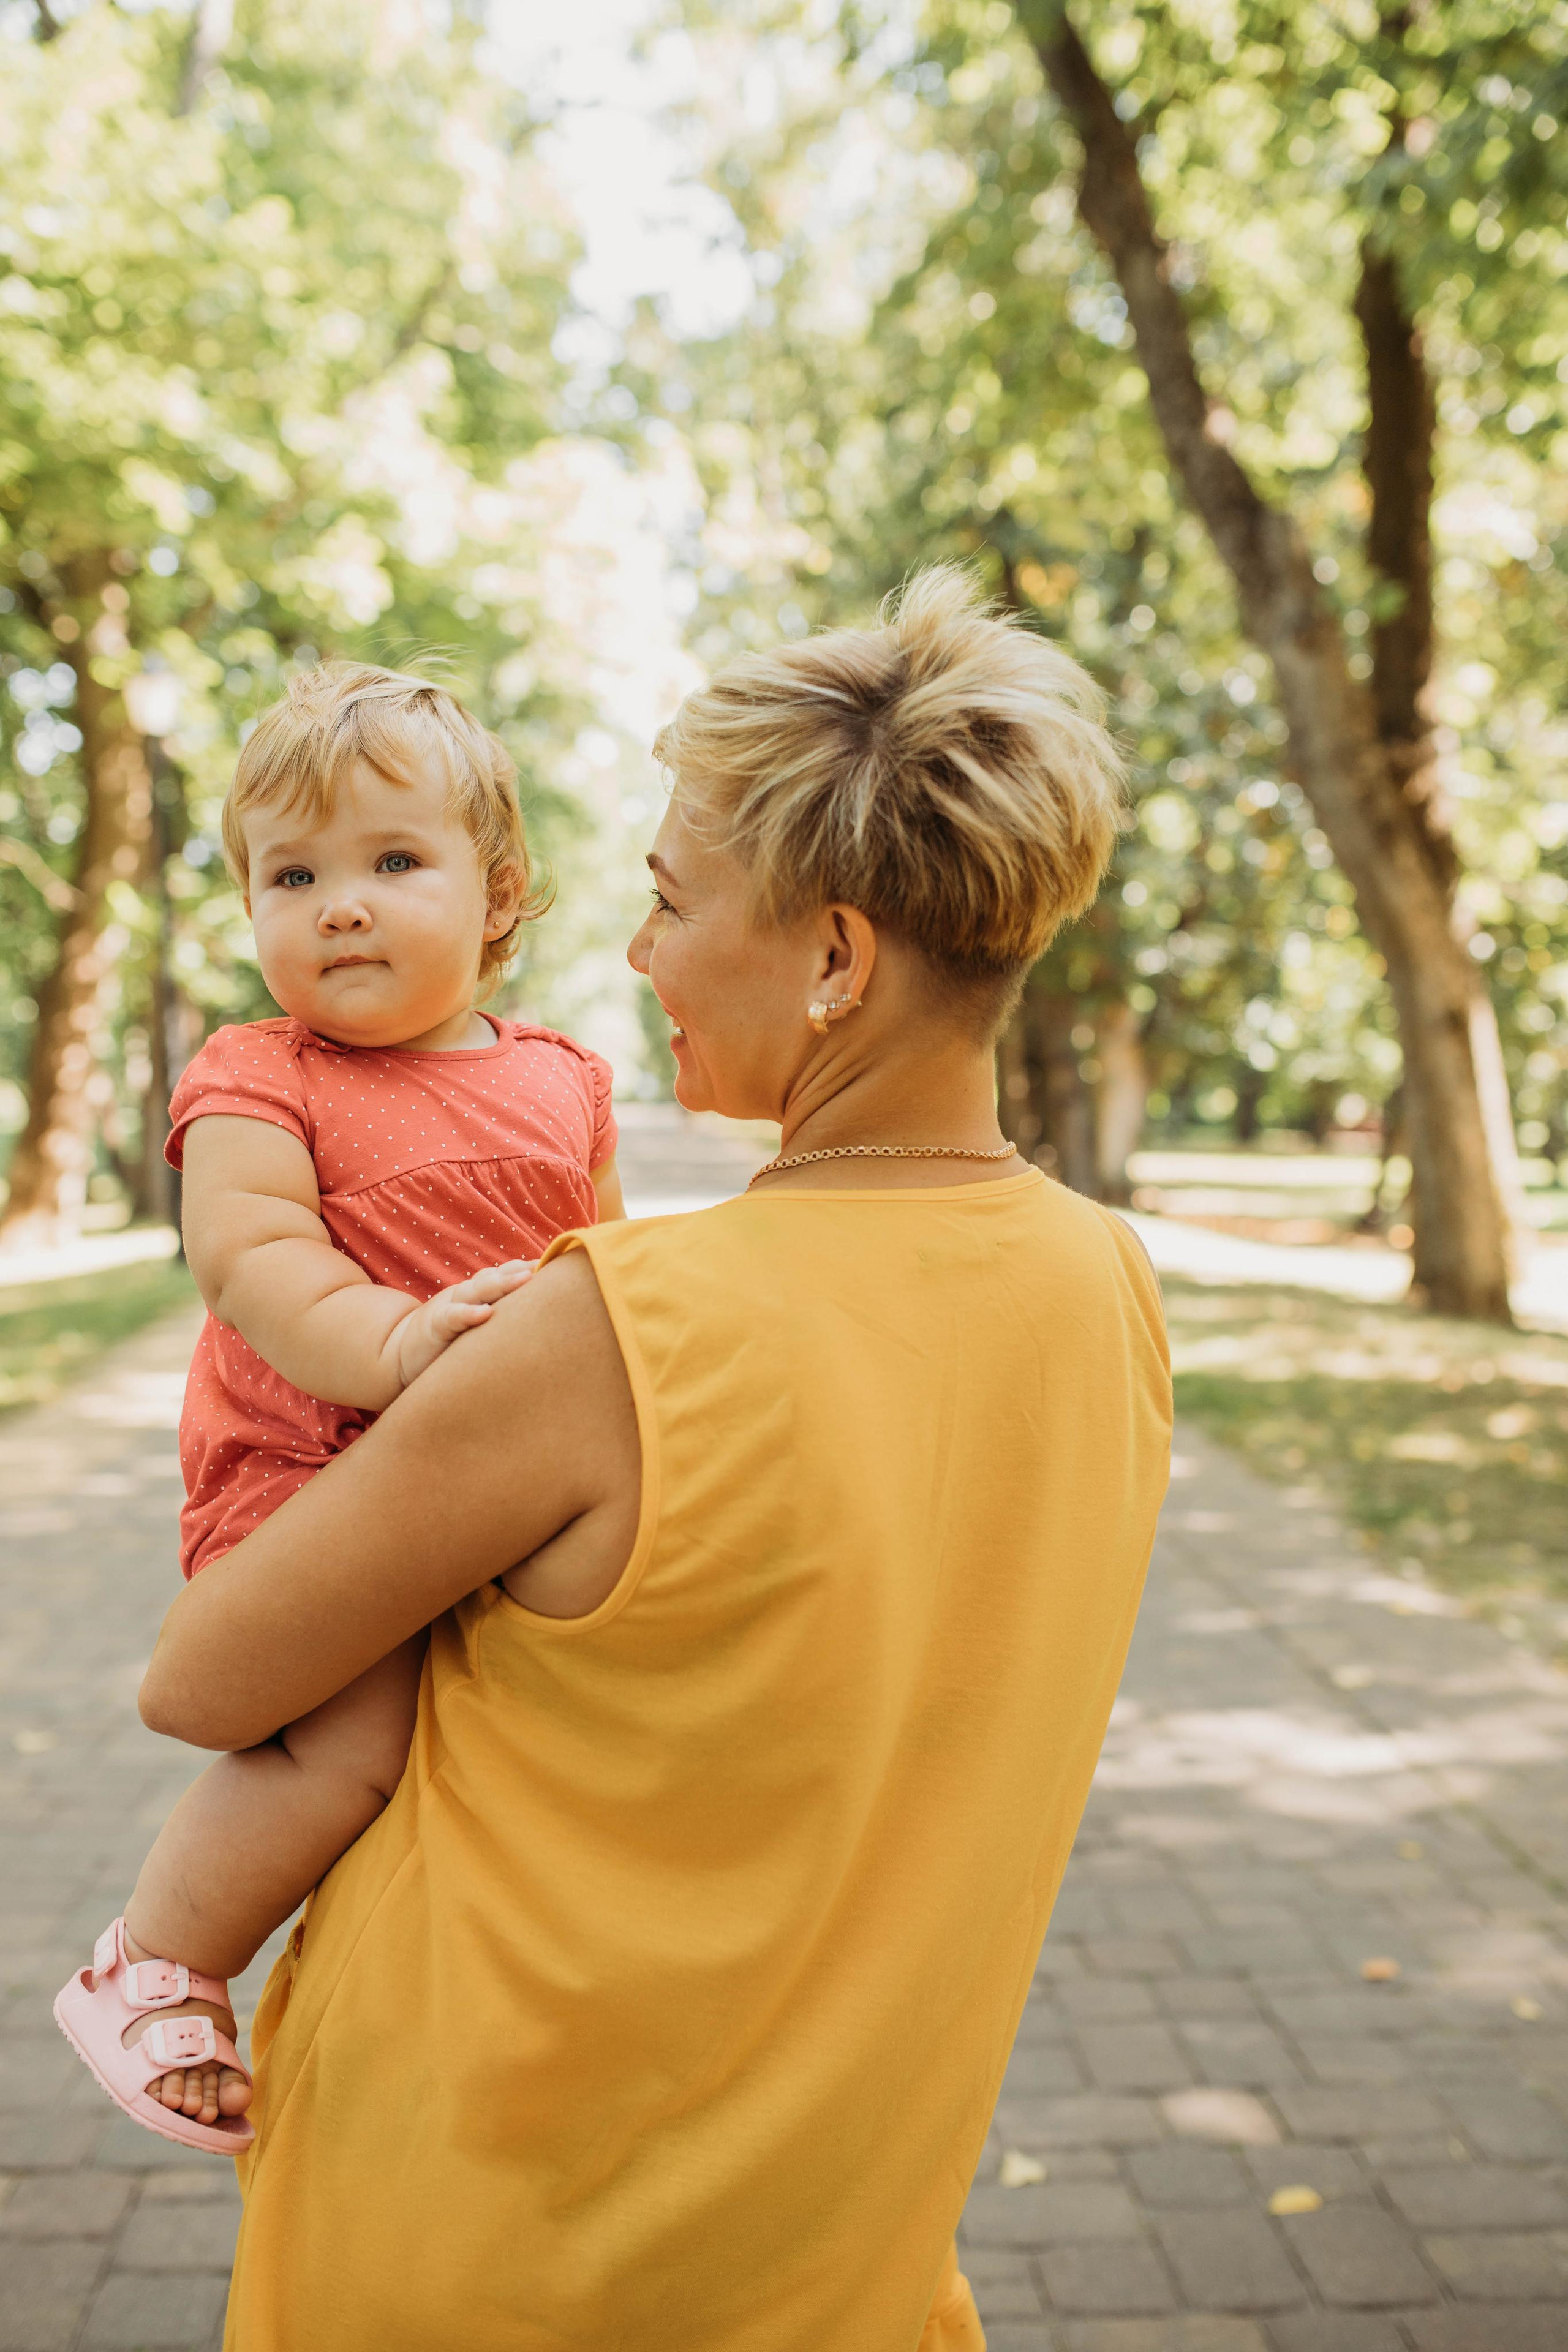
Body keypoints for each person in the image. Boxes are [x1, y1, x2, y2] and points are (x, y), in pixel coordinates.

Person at [138, 569, 1170, 2352]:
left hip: (485, 2226)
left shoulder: (603, 1331)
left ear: (837, 957)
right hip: (838, 2238)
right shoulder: (1113, 1296)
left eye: (673, 905)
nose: (638, 960)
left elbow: (204, 1674)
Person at [55, 666, 622, 2152]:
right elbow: (254, 1261)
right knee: (348, 1746)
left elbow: (613, 1276)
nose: (340, 906)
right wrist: (399, 1342)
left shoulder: (567, 1079)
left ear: (497, 895)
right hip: (313, 1463)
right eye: (292, 875)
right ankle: (158, 1958)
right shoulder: (259, 1073)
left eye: (391, 862)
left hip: (495, 1478)